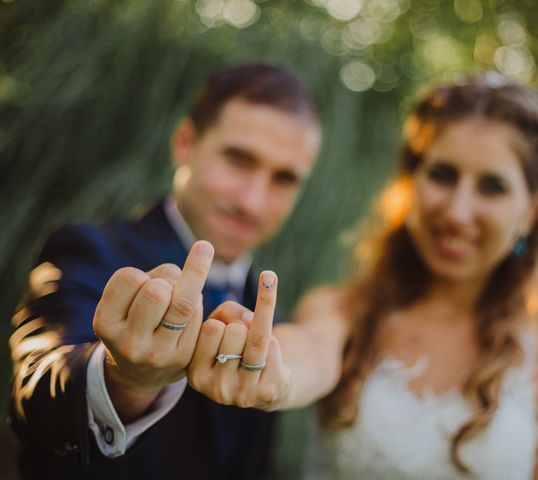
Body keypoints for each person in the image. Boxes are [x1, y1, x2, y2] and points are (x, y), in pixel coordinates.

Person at [197, 73, 538, 479]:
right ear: (410, 182)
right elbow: (307, 352)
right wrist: (270, 370)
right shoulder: (343, 311)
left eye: (492, 187)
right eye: (442, 175)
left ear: (532, 211)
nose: (457, 211)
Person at [8, 63, 322, 479]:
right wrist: (124, 379)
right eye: (238, 160)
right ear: (185, 143)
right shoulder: (89, 249)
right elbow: (39, 384)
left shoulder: (267, 311)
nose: (253, 201)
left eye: (283, 179)